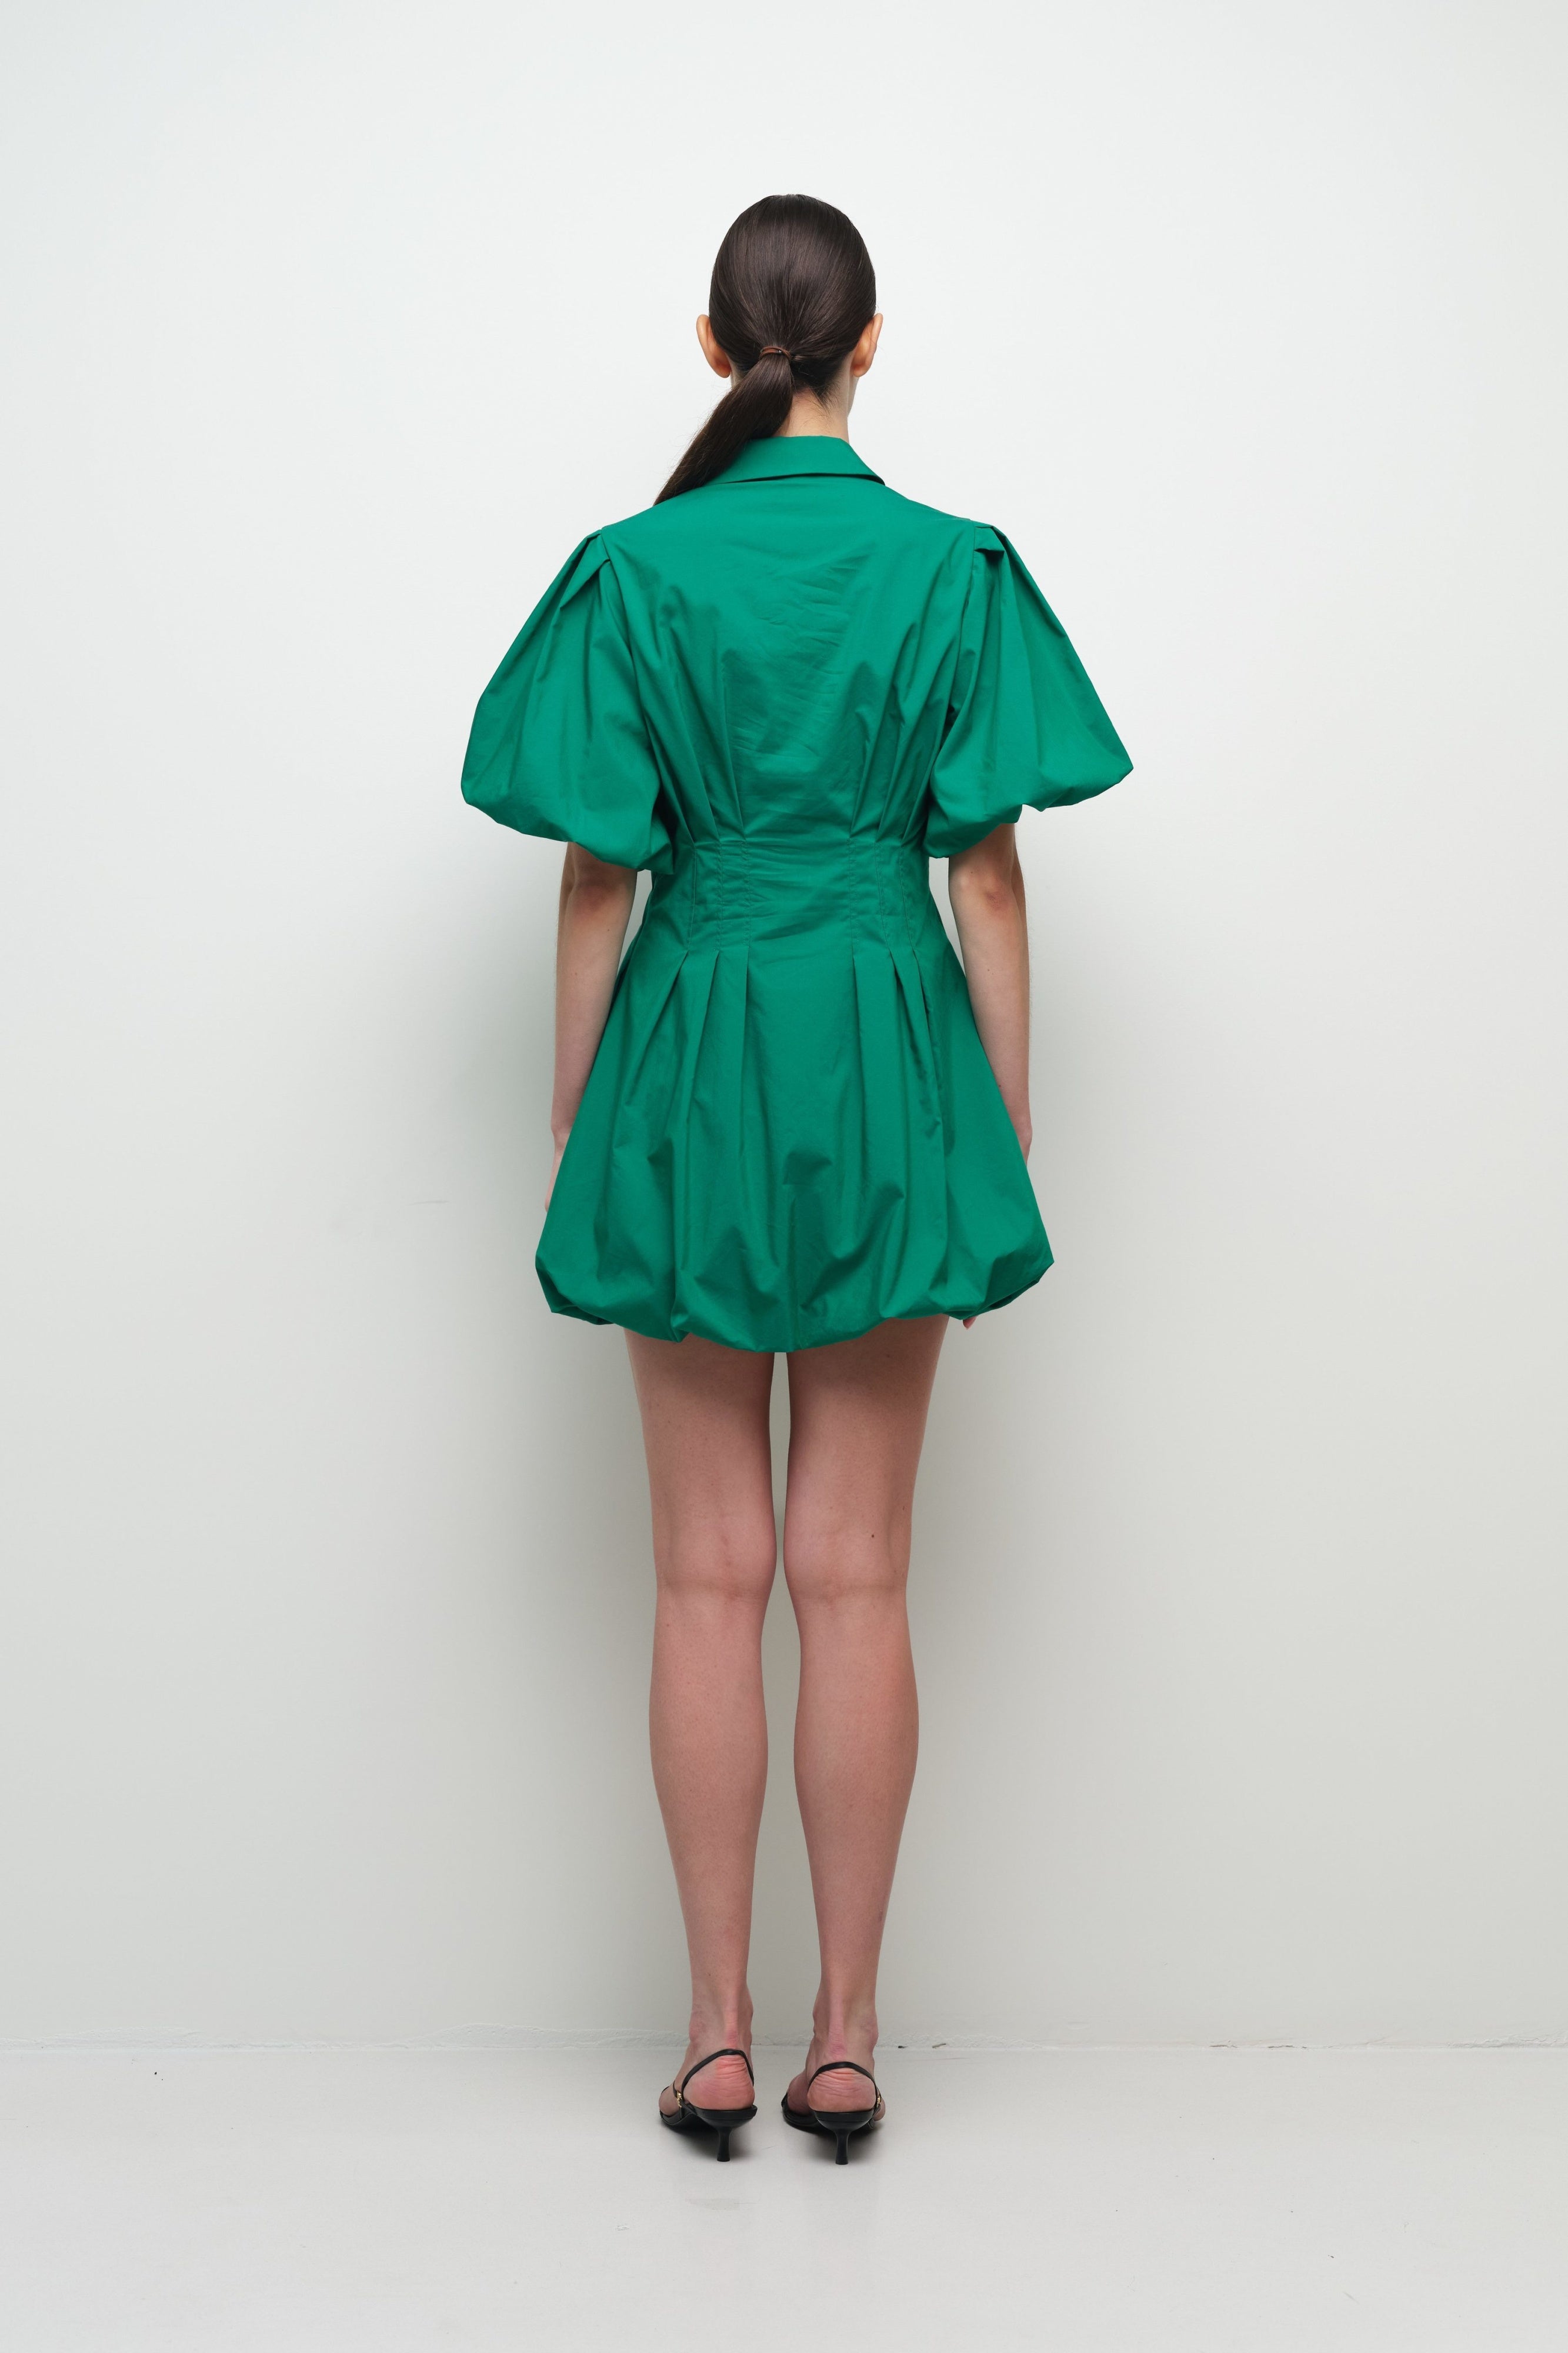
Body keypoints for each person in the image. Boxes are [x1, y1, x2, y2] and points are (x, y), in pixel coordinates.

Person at [461, 194, 1130, 2164]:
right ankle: (846, 2039)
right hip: (886, 1051)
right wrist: (997, 1119)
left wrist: (579, 1113)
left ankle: (714, 2039)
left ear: (711, 348)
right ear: (873, 343)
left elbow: (595, 871)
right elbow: (985, 874)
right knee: (857, 1573)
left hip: (688, 1052)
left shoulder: (632, 568)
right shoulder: (951, 567)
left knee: (704, 1574)